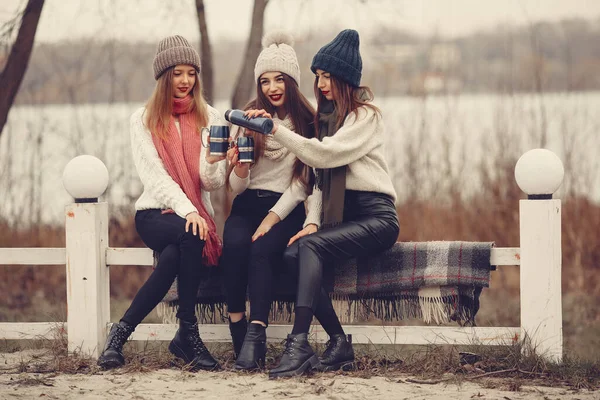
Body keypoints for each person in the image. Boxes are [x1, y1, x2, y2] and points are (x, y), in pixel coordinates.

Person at [246, 29, 400, 379]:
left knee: (308, 248)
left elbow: (324, 155)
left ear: (345, 79)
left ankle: (298, 342)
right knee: (291, 254)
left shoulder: (366, 117)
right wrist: (311, 221)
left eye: (328, 76)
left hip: (377, 217)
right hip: (342, 219)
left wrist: (275, 129)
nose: (322, 84)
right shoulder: (326, 121)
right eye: (318, 76)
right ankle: (338, 342)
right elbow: (313, 180)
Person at [97, 35, 227, 372]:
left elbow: (212, 183)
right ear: (163, 76)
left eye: (191, 73)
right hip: (155, 213)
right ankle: (188, 335)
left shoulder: (211, 116)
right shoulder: (142, 119)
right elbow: (154, 177)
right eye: (177, 73)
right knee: (190, 233)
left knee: (176, 253)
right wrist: (190, 211)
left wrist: (214, 161)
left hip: (192, 220)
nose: (185, 81)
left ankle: (119, 337)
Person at [221, 32, 318, 370]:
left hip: (285, 208)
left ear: (292, 81)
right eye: (265, 81)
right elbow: (234, 187)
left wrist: (274, 217)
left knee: (261, 249)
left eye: (280, 79)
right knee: (233, 245)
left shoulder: (308, 122)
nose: (272, 87)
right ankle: (237, 326)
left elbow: (304, 183)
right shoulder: (247, 117)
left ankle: (256, 334)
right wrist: (242, 166)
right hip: (246, 205)